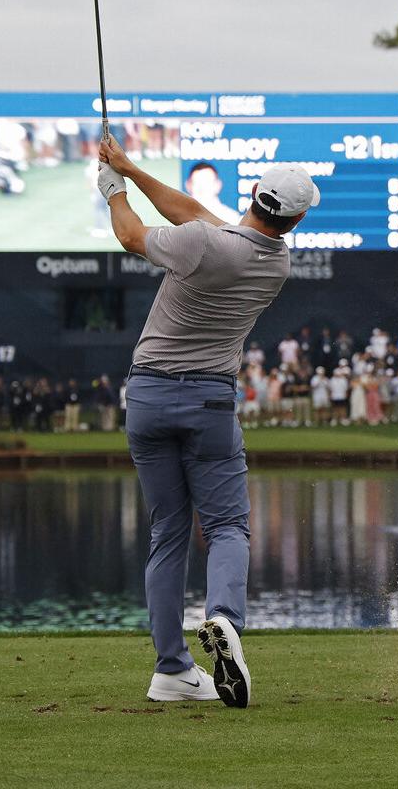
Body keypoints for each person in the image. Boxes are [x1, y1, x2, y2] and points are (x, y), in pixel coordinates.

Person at [97, 132, 319, 709]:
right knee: (226, 527)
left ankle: (171, 668)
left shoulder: (202, 244)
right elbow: (194, 213)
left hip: (145, 395)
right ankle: (223, 618)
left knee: (167, 533)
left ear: (252, 193)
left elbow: (130, 234)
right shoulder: (275, 262)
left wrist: (112, 187)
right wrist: (131, 166)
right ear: (292, 220)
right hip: (209, 403)